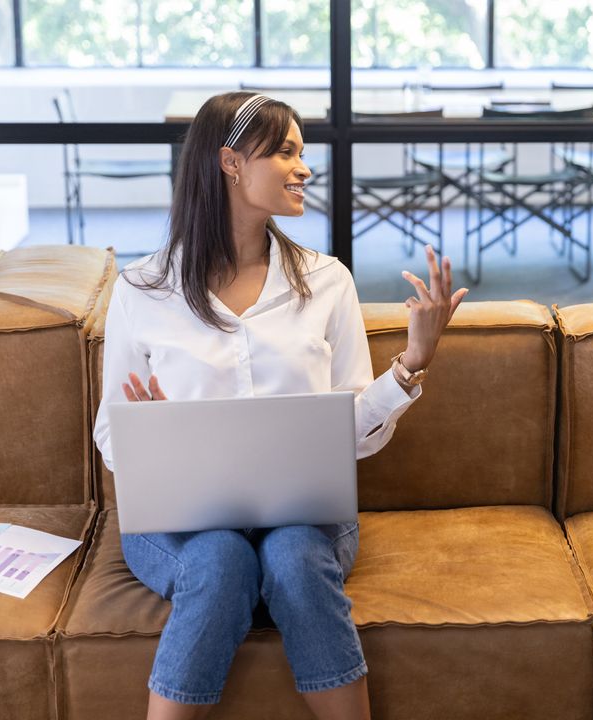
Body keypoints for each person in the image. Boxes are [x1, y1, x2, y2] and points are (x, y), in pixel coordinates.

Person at [92, 92, 467, 720]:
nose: (305, 168)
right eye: (286, 151)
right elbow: (110, 430)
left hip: (305, 518)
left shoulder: (327, 281)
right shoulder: (142, 289)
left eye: (303, 152)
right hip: (181, 522)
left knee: (293, 554)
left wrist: (410, 367)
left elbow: (354, 434)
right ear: (231, 163)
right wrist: (147, 433)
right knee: (219, 558)